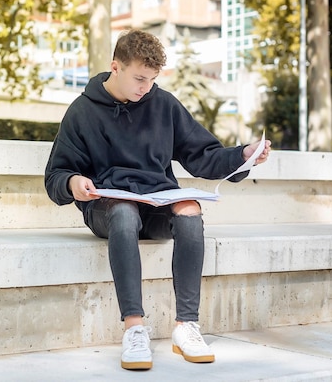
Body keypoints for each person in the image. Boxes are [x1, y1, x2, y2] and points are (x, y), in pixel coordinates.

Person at [44, 29, 271, 371]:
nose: (145, 87)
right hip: (108, 207)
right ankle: (134, 329)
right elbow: (56, 175)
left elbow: (203, 154)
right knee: (123, 213)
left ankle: (186, 327)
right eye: (139, 78)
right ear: (115, 67)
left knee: (190, 208)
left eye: (151, 79)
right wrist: (73, 182)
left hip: (155, 203)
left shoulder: (163, 104)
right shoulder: (82, 111)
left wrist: (244, 155)